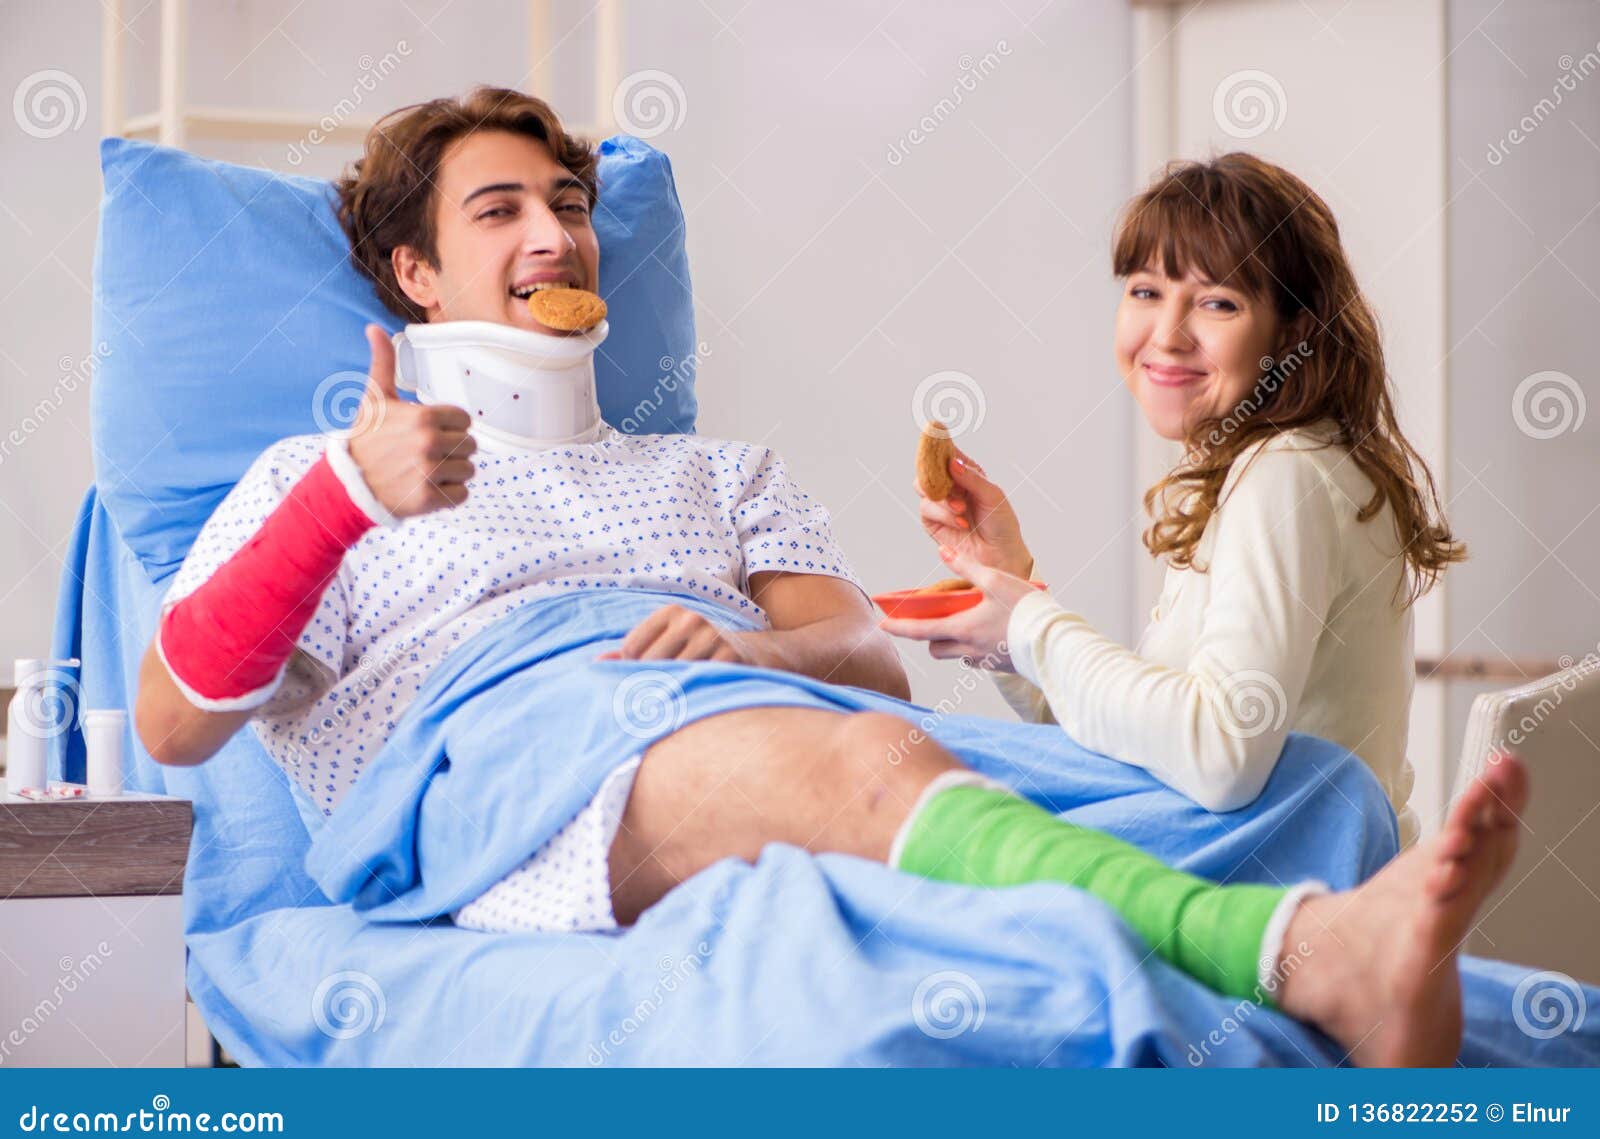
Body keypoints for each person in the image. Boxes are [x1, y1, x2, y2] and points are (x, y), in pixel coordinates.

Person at [134, 90, 1516, 1065]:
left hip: (745, 726)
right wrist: (345, 500)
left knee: (1301, 786)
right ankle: (1304, 956)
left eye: (567, 202)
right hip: (511, 755)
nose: (555, 233)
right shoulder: (320, 477)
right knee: (870, 776)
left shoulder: (718, 471)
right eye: (500, 212)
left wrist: (744, 661)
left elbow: (859, 655)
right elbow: (173, 721)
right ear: (417, 273)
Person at [883, 154, 1463, 846]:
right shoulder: (1275, 463)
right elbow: (1148, 752)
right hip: (1265, 873)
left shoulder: (1285, 475)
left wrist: (1032, 626)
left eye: (1219, 302)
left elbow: (1222, 756)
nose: (1166, 334)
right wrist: (1015, 596)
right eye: (1146, 290)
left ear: (1294, 331)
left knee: (899, 796)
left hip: (1294, 900)